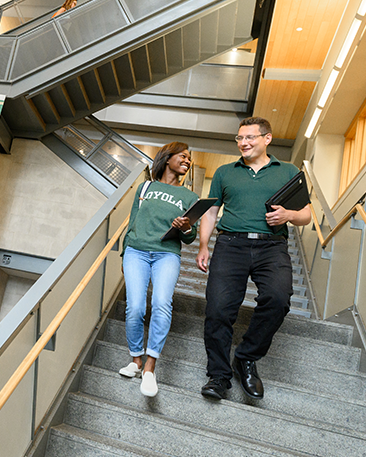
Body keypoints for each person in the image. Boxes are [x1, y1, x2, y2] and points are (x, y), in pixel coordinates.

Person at [196, 117, 311, 401]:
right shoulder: (225, 172)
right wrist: (203, 245)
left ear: (267, 138)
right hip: (230, 244)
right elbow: (211, 213)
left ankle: (246, 357)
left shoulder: (288, 171)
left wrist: (289, 215)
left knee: (278, 297)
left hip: (271, 246)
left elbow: (307, 214)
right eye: (239, 138)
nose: (243, 143)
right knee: (219, 308)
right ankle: (219, 376)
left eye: (249, 138)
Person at [119, 142, 199, 397]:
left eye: (189, 159)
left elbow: (190, 237)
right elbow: (133, 221)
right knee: (135, 307)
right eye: (182, 156)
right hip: (136, 252)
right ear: (167, 158)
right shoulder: (145, 187)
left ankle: (150, 368)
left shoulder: (190, 197)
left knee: (162, 303)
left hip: (167, 254)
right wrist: (125, 251)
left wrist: (185, 226)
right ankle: (135, 360)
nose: (187, 161)